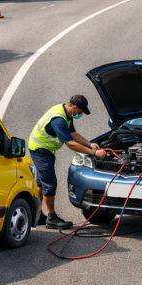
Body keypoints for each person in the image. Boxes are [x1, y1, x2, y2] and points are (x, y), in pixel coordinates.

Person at [29, 95, 107, 230]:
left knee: (41, 182)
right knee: (49, 183)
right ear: (75, 108)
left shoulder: (66, 112)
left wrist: (90, 144)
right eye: (81, 112)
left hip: (45, 149)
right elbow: (71, 144)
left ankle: (36, 215)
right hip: (40, 150)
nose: (80, 115)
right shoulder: (59, 120)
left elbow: (73, 134)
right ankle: (51, 218)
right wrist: (94, 153)